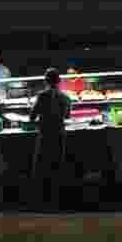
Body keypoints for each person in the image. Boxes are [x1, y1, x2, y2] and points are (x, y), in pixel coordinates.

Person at [31, 67, 72, 205]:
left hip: (44, 134)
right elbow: (67, 115)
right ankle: (58, 195)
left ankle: (42, 197)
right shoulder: (65, 97)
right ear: (59, 81)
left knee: (42, 163)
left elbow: (32, 117)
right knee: (58, 162)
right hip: (60, 132)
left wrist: (32, 107)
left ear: (45, 81)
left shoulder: (41, 96)